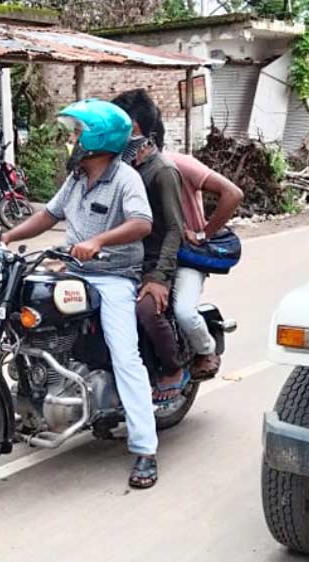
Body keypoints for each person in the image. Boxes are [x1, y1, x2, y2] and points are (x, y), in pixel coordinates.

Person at [0, 99, 161, 489]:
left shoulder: (125, 178)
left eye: (77, 133)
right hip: (72, 270)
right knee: (24, 319)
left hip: (113, 276)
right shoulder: (75, 178)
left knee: (126, 357)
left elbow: (142, 223)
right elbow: (48, 215)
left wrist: (99, 240)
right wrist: (4, 236)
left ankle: (145, 448)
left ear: (97, 138)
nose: (71, 139)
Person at [113, 89, 243, 381]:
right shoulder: (122, 167)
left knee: (183, 311)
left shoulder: (172, 165)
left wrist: (203, 232)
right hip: (145, 254)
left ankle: (203, 350)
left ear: (137, 129)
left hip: (184, 256)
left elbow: (232, 194)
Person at [111, 94, 187, 402]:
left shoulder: (162, 171)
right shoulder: (118, 167)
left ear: (134, 129)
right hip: (121, 261)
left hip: (153, 264)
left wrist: (159, 278)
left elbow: (174, 229)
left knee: (146, 310)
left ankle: (173, 368)